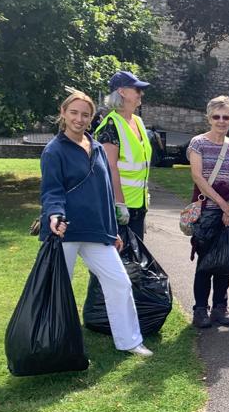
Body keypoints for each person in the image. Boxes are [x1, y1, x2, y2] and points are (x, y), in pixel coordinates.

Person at [40, 89, 151, 356]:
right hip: (64, 231)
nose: (79, 119)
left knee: (119, 283)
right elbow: (52, 191)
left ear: (91, 118)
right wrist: (55, 214)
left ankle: (129, 341)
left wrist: (112, 230)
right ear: (63, 113)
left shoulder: (97, 148)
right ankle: (51, 343)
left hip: (95, 231)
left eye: (85, 114)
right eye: (74, 113)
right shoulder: (54, 150)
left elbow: (104, 193)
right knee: (58, 289)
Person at [188, 95, 229, 328]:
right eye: (217, 117)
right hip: (206, 213)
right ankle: (200, 309)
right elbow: (197, 177)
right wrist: (223, 204)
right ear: (209, 118)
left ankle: (220, 307)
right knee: (205, 263)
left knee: (225, 261)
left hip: (228, 214)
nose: (221, 121)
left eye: (226, 117)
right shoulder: (198, 143)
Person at [97, 70, 153, 240]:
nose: (141, 94)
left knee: (137, 255)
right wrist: (119, 203)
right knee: (121, 255)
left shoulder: (138, 121)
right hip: (121, 207)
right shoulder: (111, 126)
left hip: (139, 205)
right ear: (121, 92)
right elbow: (110, 168)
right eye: (137, 90)